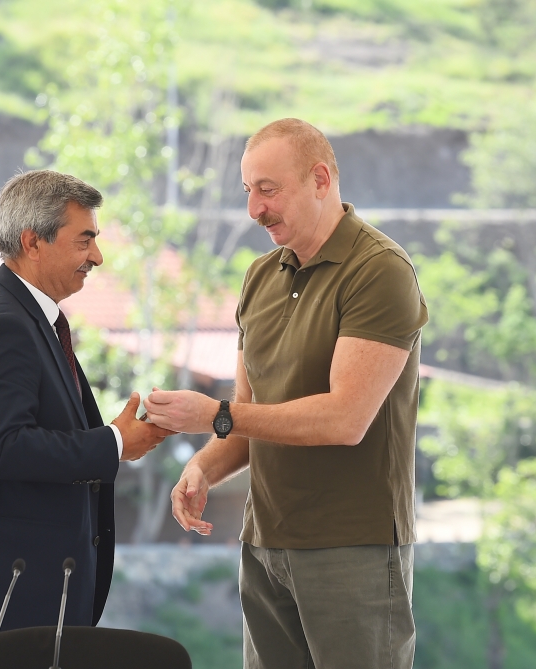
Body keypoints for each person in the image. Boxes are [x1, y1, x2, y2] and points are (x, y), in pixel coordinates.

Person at [143, 118, 429, 669]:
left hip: (353, 547)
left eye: (268, 190)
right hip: (265, 542)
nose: (255, 209)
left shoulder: (379, 271)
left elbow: (344, 419)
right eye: (248, 191)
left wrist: (216, 415)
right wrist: (202, 467)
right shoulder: (259, 277)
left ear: (320, 179)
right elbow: (247, 417)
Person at [0, 170, 171, 669]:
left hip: (17, 590)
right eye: (84, 240)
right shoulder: (3, 323)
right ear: (32, 242)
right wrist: (113, 442)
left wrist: (113, 436)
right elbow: (2, 449)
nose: (97, 257)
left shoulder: (30, 317)